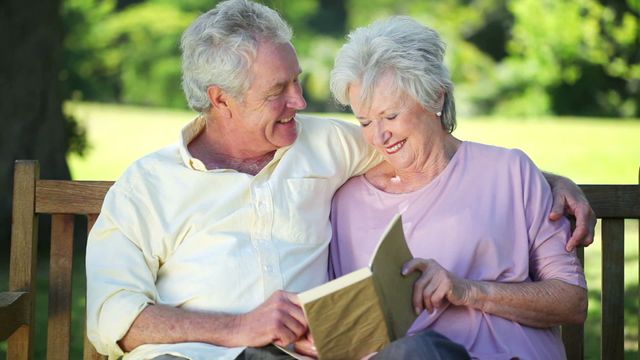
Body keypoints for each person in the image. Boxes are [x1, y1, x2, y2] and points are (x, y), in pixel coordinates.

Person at [86, 1, 593, 359]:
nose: (300, 103)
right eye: (278, 91)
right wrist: (237, 328)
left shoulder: (321, 143)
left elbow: (431, 146)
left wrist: (550, 180)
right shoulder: (147, 187)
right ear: (221, 100)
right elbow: (113, 316)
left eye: (298, 80)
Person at [328, 16, 588, 359]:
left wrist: (468, 291)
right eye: (364, 121)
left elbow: (571, 302)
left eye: (390, 116)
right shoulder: (346, 202)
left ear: (435, 98)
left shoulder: (510, 173)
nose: (379, 135)